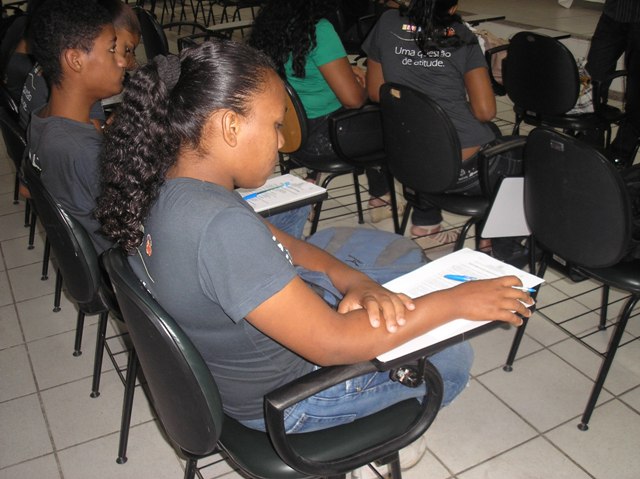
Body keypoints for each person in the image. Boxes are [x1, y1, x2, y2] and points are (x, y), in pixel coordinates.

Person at [95, 40, 532, 436]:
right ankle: (378, 440)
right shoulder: (218, 226)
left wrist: (355, 282)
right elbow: (333, 344)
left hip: (237, 377)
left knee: (376, 272)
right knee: (452, 360)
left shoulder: (168, 183)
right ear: (230, 127)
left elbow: (283, 243)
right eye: (275, 125)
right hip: (291, 400)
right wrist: (457, 302)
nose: (282, 142)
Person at [362, 0, 523, 249]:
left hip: (407, 160)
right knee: (526, 158)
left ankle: (426, 225)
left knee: (426, 128)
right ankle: (499, 245)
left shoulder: (387, 22)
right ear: (453, 7)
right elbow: (485, 111)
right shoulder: (461, 35)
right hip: (460, 170)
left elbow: (375, 91)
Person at [247, 1, 385, 213]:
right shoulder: (318, 30)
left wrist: (346, 71)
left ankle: (311, 180)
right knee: (390, 122)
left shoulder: (270, 26)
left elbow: (304, 73)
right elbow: (354, 100)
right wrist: (366, 82)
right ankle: (381, 197)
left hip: (291, 134)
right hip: (327, 139)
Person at [25, 0, 127, 252]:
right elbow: (132, 226)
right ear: (75, 60)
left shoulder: (41, 118)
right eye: (112, 49)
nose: (122, 61)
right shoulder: (82, 152)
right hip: (118, 260)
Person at [19, 0, 141, 130]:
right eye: (127, 50)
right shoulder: (76, 87)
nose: (129, 62)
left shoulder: (56, 60)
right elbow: (91, 133)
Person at [586, 0, 640, 168]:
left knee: (636, 95)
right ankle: (589, 145)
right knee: (593, 78)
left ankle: (620, 154)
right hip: (614, 12)